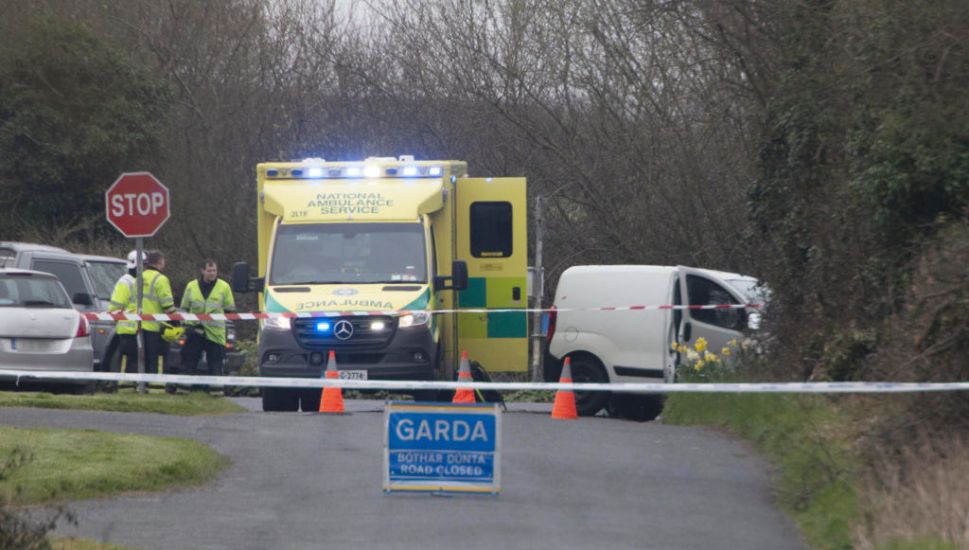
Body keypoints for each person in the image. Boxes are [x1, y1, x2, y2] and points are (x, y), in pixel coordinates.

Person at [180, 259, 236, 389]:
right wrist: (187, 326)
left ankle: (216, 390)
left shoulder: (224, 287)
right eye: (209, 270)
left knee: (215, 362)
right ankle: (185, 389)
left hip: (215, 332)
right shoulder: (191, 286)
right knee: (190, 360)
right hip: (195, 330)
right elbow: (184, 308)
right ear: (202, 271)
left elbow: (230, 309)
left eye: (214, 271)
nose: (212, 273)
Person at [139, 250, 177, 378]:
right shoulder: (161, 279)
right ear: (160, 262)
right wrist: (176, 321)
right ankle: (156, 386)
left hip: (138, 325)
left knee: (143, 358)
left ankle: (142, 384)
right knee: (157, 359)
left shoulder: (140, 276)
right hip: (156, 327)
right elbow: (167, 305)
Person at [107, 250, 143, 375]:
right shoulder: (125, 282)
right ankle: (121, 383)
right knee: (127, 359)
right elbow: (115, 307)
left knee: (133, 361)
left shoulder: (140, 281)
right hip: (127, 329)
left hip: (136, 328)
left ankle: (129, 383)